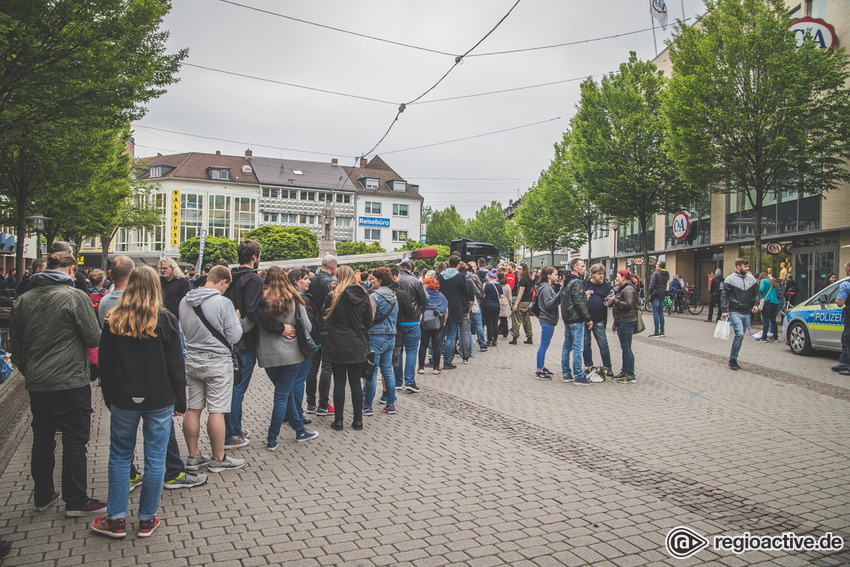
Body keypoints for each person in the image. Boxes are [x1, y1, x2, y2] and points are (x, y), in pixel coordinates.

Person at [10, 252, 106, 518]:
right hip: (69, 380)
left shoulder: (23, 300)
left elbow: (14, 343)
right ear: (72, 270)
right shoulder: (74, 296)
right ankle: (75, 499)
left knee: (42, 438)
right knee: (75, 440)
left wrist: (27, 369)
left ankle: (42, 495)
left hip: (37, 382)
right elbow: (92, 337)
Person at [92, 266, 186, 538]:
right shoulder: (165, 320)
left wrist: (108, 396)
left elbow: (106, 364)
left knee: (120, 457)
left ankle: (117, 518)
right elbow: (176, 366)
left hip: (123, 396)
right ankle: (146, 519)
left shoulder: (114, 320)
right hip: (159, 397)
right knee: (155, 460)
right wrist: (180, 400)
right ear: (156, 287)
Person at [223, 240, 289, 449]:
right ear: (254, 257)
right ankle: (231, 432)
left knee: (235, 386)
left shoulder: (232, 277)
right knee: (238, 388)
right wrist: (278, 328)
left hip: (230, 337)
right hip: (244, 340)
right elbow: (253, 310)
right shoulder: (252, 279)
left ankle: (235, 427)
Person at [179, 265, 245, 471]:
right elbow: (235, 336)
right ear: (223, 281)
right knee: (217, 410)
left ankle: (194, 455)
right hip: (217, 361)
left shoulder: (185, 300)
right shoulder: (223, 302)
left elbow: (183, 329)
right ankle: (218, 458)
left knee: (194, 407)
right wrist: (236, 319)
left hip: (193, 358)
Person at [255, 267, 318, 449]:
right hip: (292, 355)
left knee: (285, 393)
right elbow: (307, 326)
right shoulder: (295, 300)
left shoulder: (261, 302)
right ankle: (272, 438)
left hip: (268, 356)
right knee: (282, 396)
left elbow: (250, 324)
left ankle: (299, 430)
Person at [323, 266, 371, 431]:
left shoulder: (333, 296)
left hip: (337, 342)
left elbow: (324, 318)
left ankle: (338, 421)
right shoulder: (363, 295)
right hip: (357, 342)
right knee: (356, 383)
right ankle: (358, 420)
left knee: (339, 383)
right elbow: (368, 320)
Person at [364, 267, 399, 416]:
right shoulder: (394, 296)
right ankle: (390, 404)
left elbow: (369, 318)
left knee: (371, 371)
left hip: (376, 337)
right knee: (387, 371)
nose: (370, 281)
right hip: (391, 336)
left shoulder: (375, 296)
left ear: (380, 280)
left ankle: (367, 406)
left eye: (372, 279)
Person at [305, 255, 337, 416]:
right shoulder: (332, 283)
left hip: (312, 326)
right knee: (327, 367)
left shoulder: (310, 281)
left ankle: (311, 403)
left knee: (312, 366)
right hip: (328, 326)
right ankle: (323, 404)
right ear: (333, 267)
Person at [288, 268, 319, 425]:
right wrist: (316, 344)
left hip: (290, 346)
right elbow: (310, 325)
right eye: (305, 278)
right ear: (295, 281)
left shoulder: (285, 298)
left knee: (290, 381)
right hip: (303, 346)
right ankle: (297, 413)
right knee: (299, 380)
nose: (309, 281)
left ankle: (290, 411)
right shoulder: (303, 301)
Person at [721, 258, 760, 371]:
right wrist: (724, 310)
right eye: (745, 266)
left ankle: (733, 357)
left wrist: (756, 304)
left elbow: (756, 293)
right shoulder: (730, 279)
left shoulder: (751, 279)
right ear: (738, 267)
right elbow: (724, 295)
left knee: (742, 334)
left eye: (748, 266)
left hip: (746, 311)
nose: (747, 269)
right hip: (735, 310)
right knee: (740, 333)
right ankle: (733, 359)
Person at [560, 258, 594, 385]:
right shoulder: (577, 282)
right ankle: (579, 375)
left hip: (568, 318)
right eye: (582, 266)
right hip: (576, 318)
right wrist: (588, 319)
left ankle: (566, 373)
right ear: (574, 267)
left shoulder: (566, 282)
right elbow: (579, 303)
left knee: (567, 346)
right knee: (577, 347)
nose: (584, 268)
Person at [389, 264, 421, 394]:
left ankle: (397, 382)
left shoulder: (391, 280)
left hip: (397, 321)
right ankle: (410, 382)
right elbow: (423, 300)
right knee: (412, 351)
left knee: (398, 350)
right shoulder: (415, 281)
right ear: (411, 269)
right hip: (412, 320)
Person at [436, 255, 469, 370]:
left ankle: (435, 361)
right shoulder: (460, 277)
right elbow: (465, 292)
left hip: (442, 308)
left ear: (449, 264)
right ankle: (447, 361)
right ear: (458, 265)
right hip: (455, 309)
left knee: (440, 336)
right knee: (451, 336)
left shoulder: (440, 276)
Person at [607, 269, 639, 383]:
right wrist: (615, 323)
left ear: (624, 277)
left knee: (626, 348)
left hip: (627, 321)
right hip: (622, 321)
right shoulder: (623, 289)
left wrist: (615, 301)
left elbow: (629, 305)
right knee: (624, 348)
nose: (616, 278)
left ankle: (630, 374)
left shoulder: (628, 289)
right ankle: (624, 371)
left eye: (618, 276)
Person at [583, 263, 613, 377]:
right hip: (586, 318)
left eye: (602, 274)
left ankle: (608, 367)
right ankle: (588, 366)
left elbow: (609, 300)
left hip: (599, 318)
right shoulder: (585, 284)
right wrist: (584, 296)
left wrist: (609, 303)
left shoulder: (606, 286)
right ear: (592, 274)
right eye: (599, 274)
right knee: (586, 344)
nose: (601, 276)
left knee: (603, 343)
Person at [534, 267, 560, 380]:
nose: (557, 277)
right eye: (555, 274)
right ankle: (539, 369)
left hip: (546, 319)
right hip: (547, 319)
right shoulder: (546, 288)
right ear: (548, 275)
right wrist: (559, 295)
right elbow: (549, 304)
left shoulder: (545, 287)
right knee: (544, 344)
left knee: (545, 344)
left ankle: (541, 366)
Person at [418, 277, 449, 374]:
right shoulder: (441, 296)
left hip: (426, 322)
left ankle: (421, 367)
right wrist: (444, 322)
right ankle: (436, 367)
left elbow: (421, 308)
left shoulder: (425, 295)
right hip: (437, 323)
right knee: (437, 345)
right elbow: (446, 310)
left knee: (423, 344)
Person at [833, 260, 850, 376]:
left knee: (847, 338)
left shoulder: (846, 284)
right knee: (845, 337)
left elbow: (840, 302)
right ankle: (844, 362)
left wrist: (836, 300)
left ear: (848, 269)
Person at [509, 264, 534, 345]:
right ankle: (529, 337)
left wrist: (516, 304)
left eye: (520, 269)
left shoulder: (523, 280)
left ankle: (515, 337)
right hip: (527, 301)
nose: (518, 271)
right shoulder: (529, 279)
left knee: (516, 319)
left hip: (522, 301)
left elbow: (520, 292)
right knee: (526, 320)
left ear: (524, 270)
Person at [465, 266, 487, 356]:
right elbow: (479, 291)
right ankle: (482, 344)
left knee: (468, 328)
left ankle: (469, 349)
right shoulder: (473, 277)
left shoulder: (465, 279)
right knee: (478, 324)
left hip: (467, 306)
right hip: (475, 305)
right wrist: (479, 300)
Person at [756, 271, 781, 343]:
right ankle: (775, 337)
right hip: (775, 302)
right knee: (773, 320)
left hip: (767, 301)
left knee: (766, 320)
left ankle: (764, 337)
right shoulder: (773, 282)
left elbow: (761, 290)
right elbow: (777, 292)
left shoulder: (763, 281)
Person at [481, 269, 503, 347]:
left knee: (489, 323)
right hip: (496, 305)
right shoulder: (499, 285)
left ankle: (489, 340)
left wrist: (483, 287)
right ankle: (495, 340)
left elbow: (483, 295)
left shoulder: (488, 285)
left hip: (488, 305)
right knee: (495, 323)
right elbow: (501, 296)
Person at [648, 261, 670, 337]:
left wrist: (651, 293)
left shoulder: (656, 273)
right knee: (661, 313)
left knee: (655, 313)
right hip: (662, 294)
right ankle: (662, 331)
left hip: (656, 295)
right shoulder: (667, 273)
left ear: (659, 266)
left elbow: (652, 285)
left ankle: (656, 331)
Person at [498, 271, 513, 339]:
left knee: (499, 319)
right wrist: (510, 303)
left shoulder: (498, 286)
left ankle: (498, 330)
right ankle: (505, 333)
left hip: (498, 303)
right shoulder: (507, 286)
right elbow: (509, 296)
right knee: (504, 320)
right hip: (505, 303)